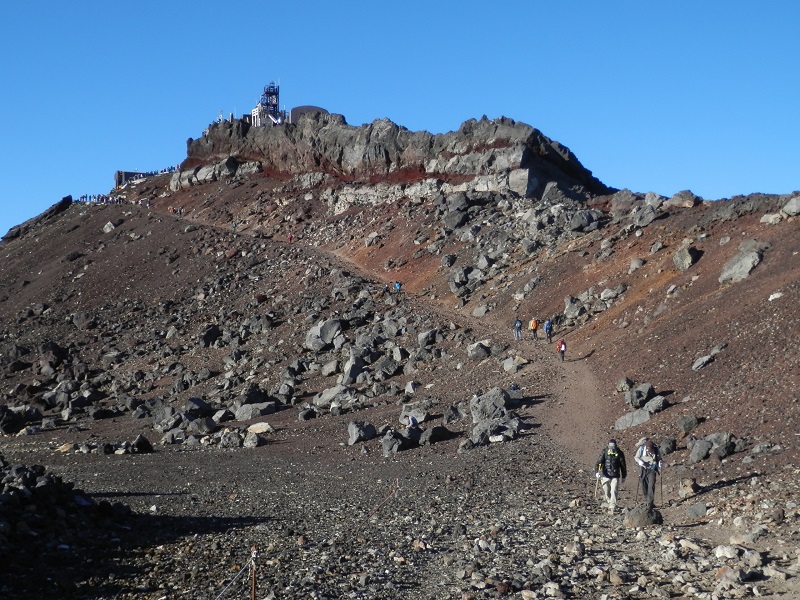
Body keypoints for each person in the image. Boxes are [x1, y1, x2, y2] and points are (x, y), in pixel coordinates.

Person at [596, 439, 627, 514]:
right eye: (610, 447)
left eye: (613, 447)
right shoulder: (604, 452)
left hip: (615, 475)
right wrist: (596, 472)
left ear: (616, 446)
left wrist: (624, 475)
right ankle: (609, 501)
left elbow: (623, 465)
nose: (611, 449)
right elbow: (599, 462)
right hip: (605, 474)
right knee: (606, 489)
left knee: (614, 490)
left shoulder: (619, 453)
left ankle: (612, 506)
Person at [634, 439, 662, 510]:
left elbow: (659, 458)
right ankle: (647, 499)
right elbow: (636, 457)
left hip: (652, 469)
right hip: (643, 469)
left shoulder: (656, 450)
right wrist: (640, 461)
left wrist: (660, 464)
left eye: (651, 450)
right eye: (649, 450)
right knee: (643, 484)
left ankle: (650, 503)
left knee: (651, 485)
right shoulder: (642, 449)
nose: (650, 451)